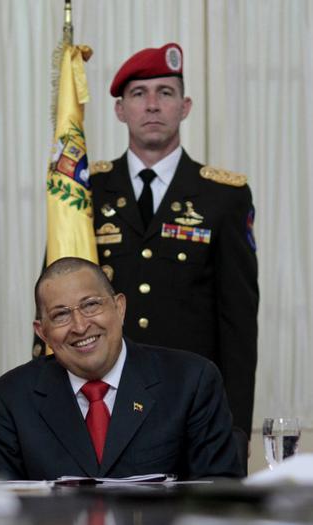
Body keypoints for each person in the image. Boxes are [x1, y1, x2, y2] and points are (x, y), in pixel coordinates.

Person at [90, 43, 259, 441]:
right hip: (102, 402)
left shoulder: (223, 196)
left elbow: (238, 325)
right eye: (138, 94)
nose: (152, 105)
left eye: (165, 93)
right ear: (120, 110)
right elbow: (55, 301)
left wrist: (234, 431)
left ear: (185, 107)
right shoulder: (88, 192)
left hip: (190, 405)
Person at [0, 257, 243, 480]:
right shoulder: (13, 398)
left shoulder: (190, 382)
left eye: (90, 305)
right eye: (61, 315)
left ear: (119, 308)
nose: (80, 326)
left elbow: (220, 495)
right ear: (42, 332)